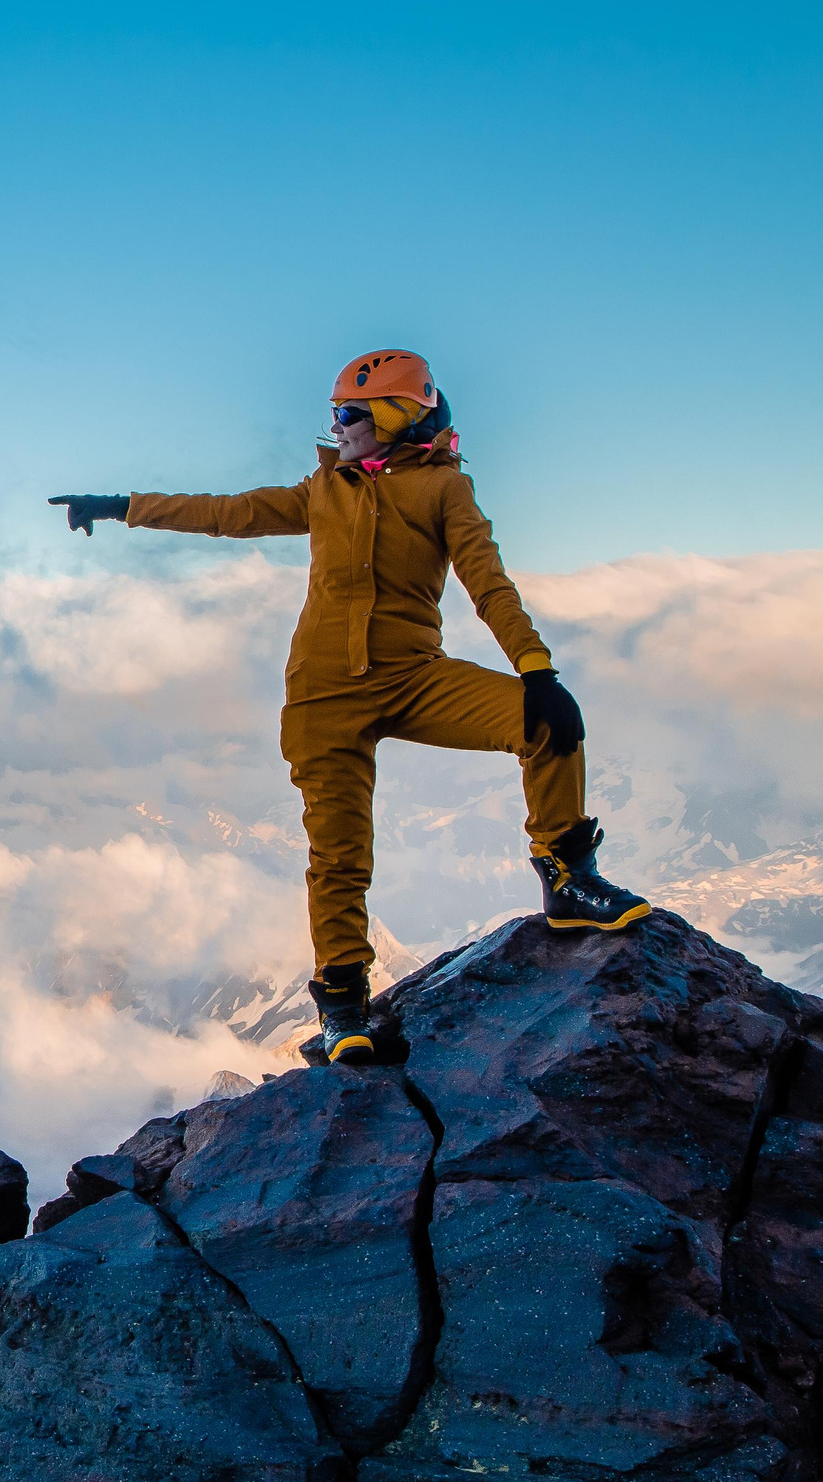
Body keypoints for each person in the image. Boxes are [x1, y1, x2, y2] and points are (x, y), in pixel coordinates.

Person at [48, 349, 649, 1065]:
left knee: (546, 721)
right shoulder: (322, 487)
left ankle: (567, 877)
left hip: (413, 677)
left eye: (350, 414)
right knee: (339, 856)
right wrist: (120, 508)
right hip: (323, 694)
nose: (337, 426)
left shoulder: (444, 491)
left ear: (397, 416)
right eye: (335, 413)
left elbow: (488, 583)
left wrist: (537, 668)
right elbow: (228, 515)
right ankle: (343, 1010)